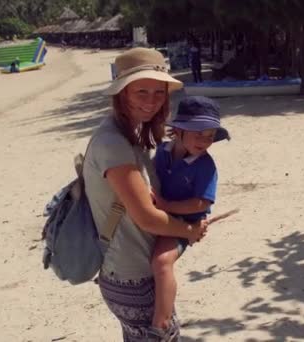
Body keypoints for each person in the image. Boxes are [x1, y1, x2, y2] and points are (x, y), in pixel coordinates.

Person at [83, 47, 209, 341]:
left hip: (132, 273)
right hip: (132, 278)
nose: (151, 101)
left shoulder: (129, 136)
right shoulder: (113, 144)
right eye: (142, 91)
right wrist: (190, 230)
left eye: (159, 92)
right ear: (122, 92)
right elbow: (147, 218)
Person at [150, 96, 230, 331]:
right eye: (198, 133)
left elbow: (200, 203)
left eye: (210, 136)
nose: (205, 141)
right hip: (158, 210)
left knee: (162, 261)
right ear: (178, 130)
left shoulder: (206, 165)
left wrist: (166, 206)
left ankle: (161, 321)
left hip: (185, 220)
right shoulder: (162, 152)